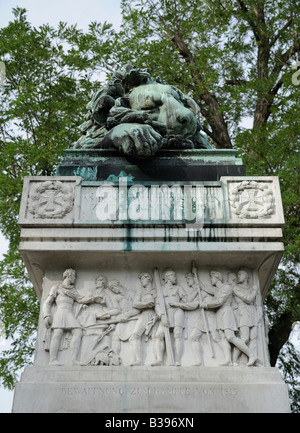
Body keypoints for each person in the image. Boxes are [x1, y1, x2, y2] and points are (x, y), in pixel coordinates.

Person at [199, 271, 257, 366]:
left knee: (230, 336)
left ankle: (251, 354)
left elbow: (220, 301)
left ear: (217, 277)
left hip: (226, 312)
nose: (210, 279)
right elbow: (204, 287)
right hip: (219, 313)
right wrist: (195, 275)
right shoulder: (216, 290)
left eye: (212, 277)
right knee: (223, 337)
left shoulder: (227, 288)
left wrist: (206, 305)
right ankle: (228, 360)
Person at [43, 268, 95, 365]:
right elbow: (47, 303)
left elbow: (81, 299)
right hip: (60, 312)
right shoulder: (57, 288)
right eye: (74, 276)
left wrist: (93, 298)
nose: (75, 279)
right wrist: (46, 315)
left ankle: (73, 359)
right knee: (58, 333)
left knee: (78, 331)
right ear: (69, 275)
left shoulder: (73, 290)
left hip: (69, 313)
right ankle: (52, 360)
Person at [151, 268, 188, 366]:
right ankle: (159, 359)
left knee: (177, 335)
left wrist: (178, 304)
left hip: (177, 311)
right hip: (165, 312)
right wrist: (162, 315)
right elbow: (157, 305)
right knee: (159, 334)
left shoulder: (178, 288)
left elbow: (186, 301)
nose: (175, 278)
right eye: (173, 275)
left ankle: (177, 360)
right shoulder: (160, 289)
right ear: (167, 277)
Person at [129, 273, 157, 365]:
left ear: (148, 279)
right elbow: (135, 304)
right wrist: (145, 304)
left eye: (142, 279)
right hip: (144, 314)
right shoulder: (140, 291)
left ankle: (156, 359)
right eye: (140, 279)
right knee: (135, 336)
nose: (141, 281)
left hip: (155, 315)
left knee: (155, 337)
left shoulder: (156, 290)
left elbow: (160, 304)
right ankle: (139, 360)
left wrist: (157, 316)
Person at [232, 269, 258, 365]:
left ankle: (254, 360)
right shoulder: (236, 288)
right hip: (243, 312)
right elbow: (248, 299)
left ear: (246, 276)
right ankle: (234, 360)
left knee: (254, 337)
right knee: (244, 338)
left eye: (240, 274)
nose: (238, 276)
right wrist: (255, 290)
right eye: (237, 274)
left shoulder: (250, 288)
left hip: (252, 312)